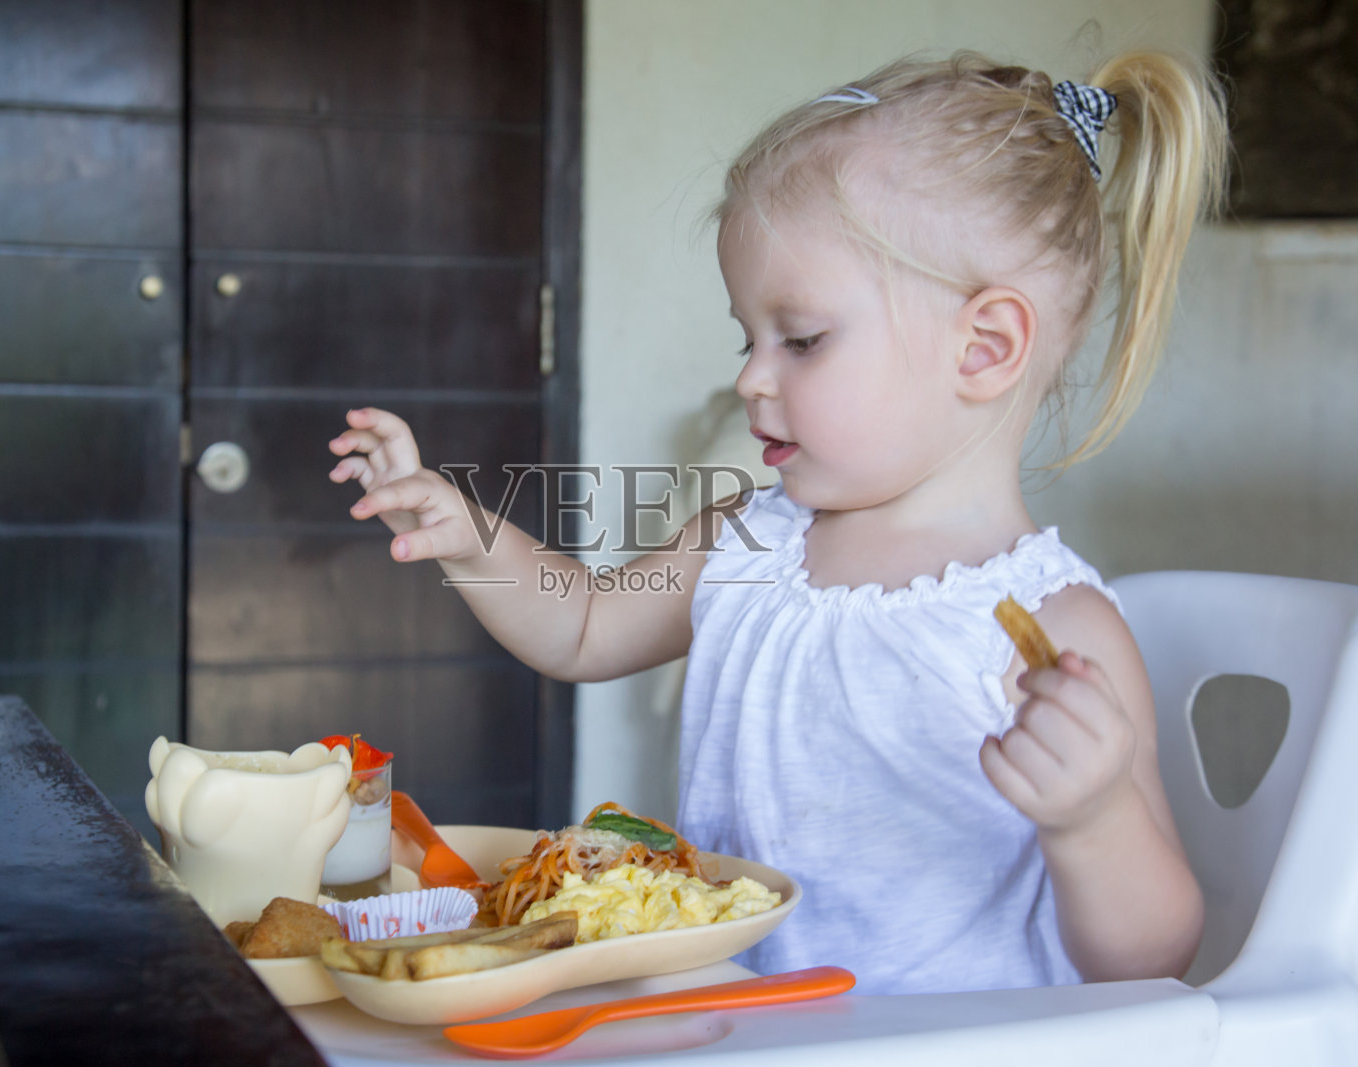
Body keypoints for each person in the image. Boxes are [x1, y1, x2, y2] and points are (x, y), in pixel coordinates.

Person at [328, 49, 1228, 993]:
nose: (752, 377)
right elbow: (583, 624)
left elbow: (1153, 956)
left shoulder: (1053, 628)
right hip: (739, 1026)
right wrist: (469, 532)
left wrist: (1091, 820)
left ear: (985, 348)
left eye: (801, 340)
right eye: (746, 337)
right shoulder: (748, 541)